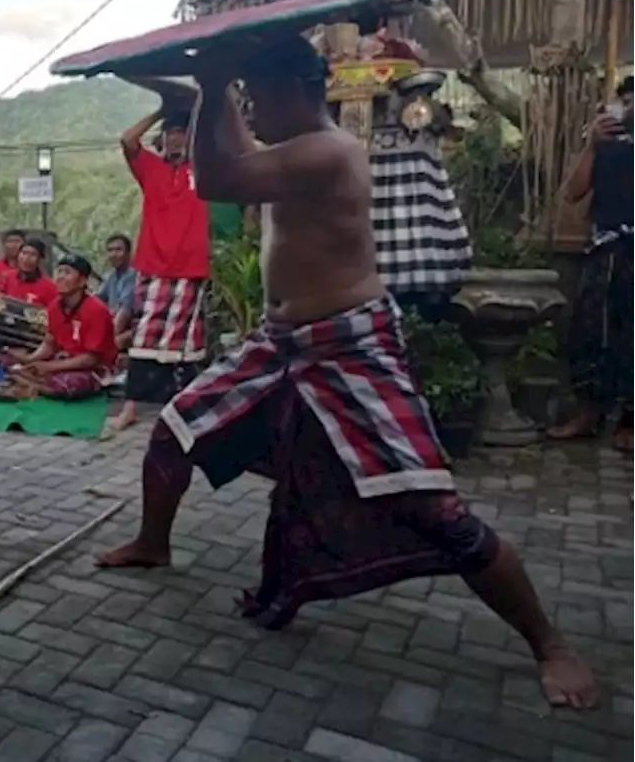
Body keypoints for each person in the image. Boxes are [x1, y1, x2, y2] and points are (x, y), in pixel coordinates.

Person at [96, 36, 597, 709]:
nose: (248, 106)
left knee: (434, 510)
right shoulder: (292, 142)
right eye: (241, 95)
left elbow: (219, 177)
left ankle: (548, 642)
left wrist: (211, 86)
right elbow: (235, 143)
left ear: (296, 89)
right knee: (176, 429)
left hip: (352, 345)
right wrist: (182, 89)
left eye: (254, 92)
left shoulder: (328, 150)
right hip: (280, 343)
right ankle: (153, 543)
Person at [112, 79, 211, 430]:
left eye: (181, 133)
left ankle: (181, 409)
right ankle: (130, 408)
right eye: (170, 133)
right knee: (144, 338)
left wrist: (198, 110)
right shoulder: (151, 169)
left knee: (184, 343)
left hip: (191, 267)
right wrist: (160, 111)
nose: (174, 138)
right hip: (153, 265)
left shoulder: (202, 169)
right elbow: (127, 140)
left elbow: (219, 142)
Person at [551, 75, 635, 453]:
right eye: (627, 101)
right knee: (588, 331)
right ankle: (588, 414)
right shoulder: (607, 144)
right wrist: (592, 145)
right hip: (605, 248)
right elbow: (572, 193)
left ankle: (630, 421)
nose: (630, 108)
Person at [1, 253, 118, 399]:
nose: (60, 277)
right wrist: (31, 359)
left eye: (67, 272)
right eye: (59, 271)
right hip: (63, 361)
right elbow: (49, 343)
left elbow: (90, 359)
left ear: (82, 281)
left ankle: (29, 384)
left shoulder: (96, 309)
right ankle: (30, 382)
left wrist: (49, 367)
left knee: (68, 384)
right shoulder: (54, 306)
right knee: (10, 362)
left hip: (92, 368)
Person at [97, 233, 137, 347]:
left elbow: (125, 312)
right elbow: (96, 300)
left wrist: (107, 338)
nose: (114, 254)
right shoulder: (111, 276)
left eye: (118, 250)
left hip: (133, 327)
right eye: (110, 250)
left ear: (128, 253)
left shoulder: (132, 275)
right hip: (114, 323)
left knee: (111, 344)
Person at [0, 238, 58, 306]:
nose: (26, 258)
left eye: (33, 254)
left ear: (40, 259)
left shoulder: (49, 287)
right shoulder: (7, 277)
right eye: (24, 253)